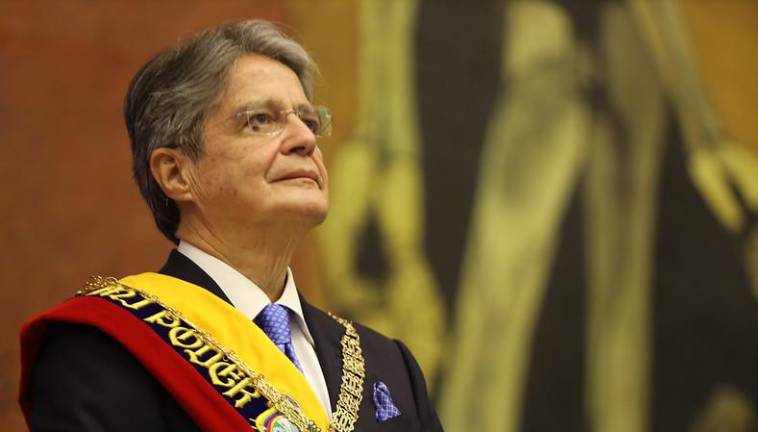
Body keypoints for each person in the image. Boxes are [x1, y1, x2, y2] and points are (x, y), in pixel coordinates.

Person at [18, 19, 442, 432]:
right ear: (176, 174)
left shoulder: (388, 365)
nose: (305, 140)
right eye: (261, 120)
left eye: (310, 121)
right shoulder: (109, 347)